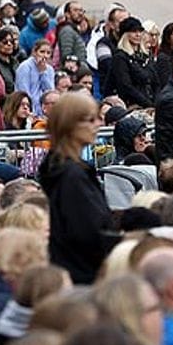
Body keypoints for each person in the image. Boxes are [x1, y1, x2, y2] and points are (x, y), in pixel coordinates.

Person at [39, 93, 114, 283]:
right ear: (70, 125)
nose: (99, 124)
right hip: (83, 275)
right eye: (91, 119)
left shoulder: (63, 168)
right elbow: (87, 232)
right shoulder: (71, 176)